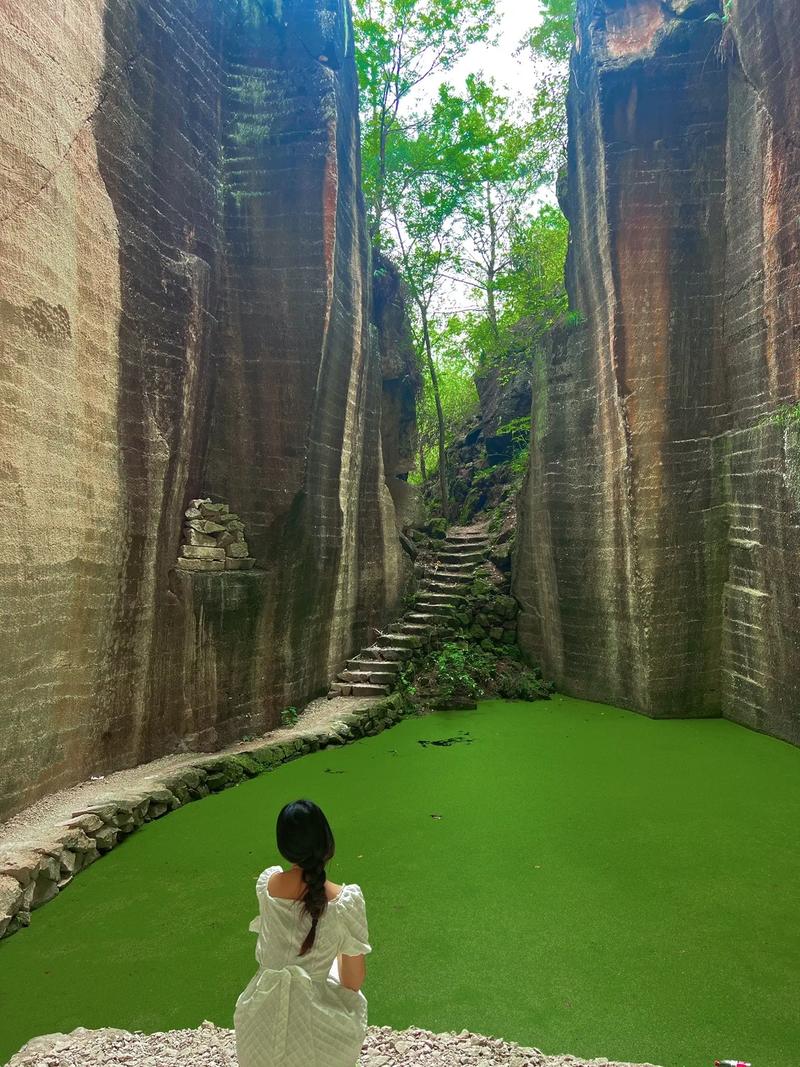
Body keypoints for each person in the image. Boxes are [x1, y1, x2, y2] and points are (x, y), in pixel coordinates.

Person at [234, 798, 372, 1067]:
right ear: (326, 843)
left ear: (284, 847)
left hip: (259, 1021)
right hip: (318, 1031)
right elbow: (353, 982)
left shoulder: (268, 886)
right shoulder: (345, 902)